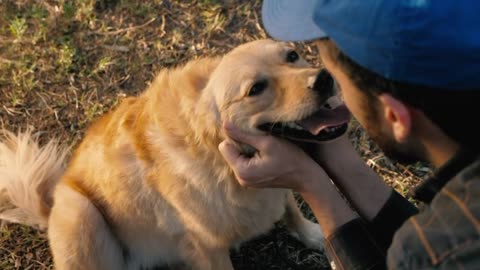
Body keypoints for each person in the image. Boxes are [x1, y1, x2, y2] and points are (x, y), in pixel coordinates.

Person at [218, 0, 480, 269]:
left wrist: (312, 186)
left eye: (336, 79)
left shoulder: (435, 256)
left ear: (395, 117)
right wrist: (341, 161)